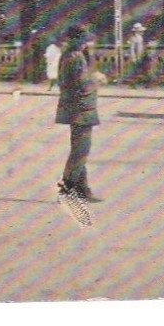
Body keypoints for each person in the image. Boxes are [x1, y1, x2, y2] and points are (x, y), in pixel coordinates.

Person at [56, 23, 103, 203]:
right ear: (75, 39)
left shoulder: (69, 55)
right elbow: (82, 84)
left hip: (77, 108)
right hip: (81, 109)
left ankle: (82, 189)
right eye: (83, 40)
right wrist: (96, 80)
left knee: (79, 149)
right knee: (80, 151)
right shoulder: (76, 58)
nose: (86, 43)